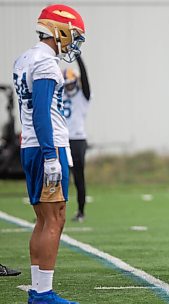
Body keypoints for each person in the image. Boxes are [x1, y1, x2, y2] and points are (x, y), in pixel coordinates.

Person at [13, 4, 85, 304]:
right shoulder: (45, 63)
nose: (74, 42)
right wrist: (51, 157)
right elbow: (42, 112)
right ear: (60, 29)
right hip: (47, 146)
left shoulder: (25, 58)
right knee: (54, 218)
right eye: (74, 35)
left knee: (43, 220)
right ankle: (43, 293)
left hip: (31, 145)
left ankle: (38, 288)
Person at [62, 56, 91, 222]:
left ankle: (81, 211)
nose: (69, 87)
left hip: (78, 140)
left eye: (71, 84)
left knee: (78, 177)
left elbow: (85, 78)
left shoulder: (83, 96)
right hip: (61, 139)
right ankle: (53, 213)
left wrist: (78, 57)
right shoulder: (60, 95)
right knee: (57, 177)